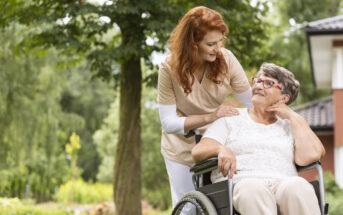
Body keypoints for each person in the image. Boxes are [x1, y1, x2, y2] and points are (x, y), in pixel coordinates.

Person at [192, 63, 325, 215]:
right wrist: (220, 149)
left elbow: (310, 156)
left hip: (283, 183)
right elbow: (198, 151)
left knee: (299, 186)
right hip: (242, 183)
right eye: (258, 81)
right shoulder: (231, 119)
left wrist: (293, 116)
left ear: (284, 98)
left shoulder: (291, 125)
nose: (259, 86)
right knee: (254, 189)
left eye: (268, 83)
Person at [157, 6, 253, 210]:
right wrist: (212, 116)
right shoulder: (168, 68)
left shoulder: (226, 60)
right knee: (189, 208)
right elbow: (168, 122)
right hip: (180, 147)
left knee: (221, 204)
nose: (217, 48)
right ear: (192, 44)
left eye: (220, 41)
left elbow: (251, 103)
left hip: (215, 142)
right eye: (210, 44)